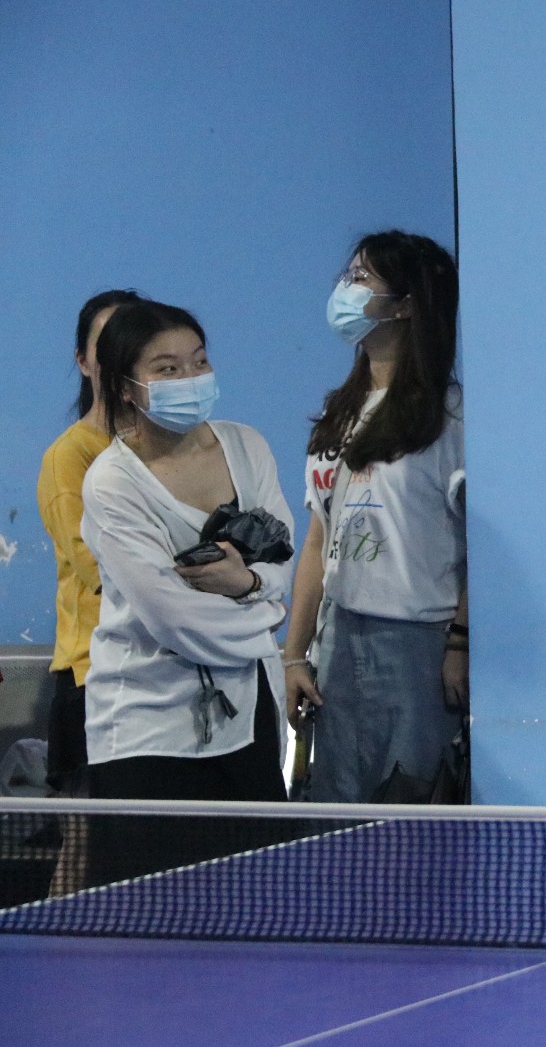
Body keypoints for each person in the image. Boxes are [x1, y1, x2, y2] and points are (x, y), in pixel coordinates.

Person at [80, 299, 293, 883]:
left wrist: (248, 582)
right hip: (147, 732)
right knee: (154, 916)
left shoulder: (247, 446)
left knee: (258, 901)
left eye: (199, 361)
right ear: (125, 387)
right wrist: (265, 613)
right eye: (168, 369)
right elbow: (176, 621)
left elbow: (280, 557)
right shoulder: (111, 484)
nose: (191, 378)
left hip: (248, 718)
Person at [282, 230, 468, 803]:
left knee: (410, 814)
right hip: (338, 638)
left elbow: (480, 548)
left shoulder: (452, 418)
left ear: (406, 305)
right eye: (349, 276)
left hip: (417, 645)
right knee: (336, 817)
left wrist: (460, 643)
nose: (346, 288)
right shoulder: (337, 415)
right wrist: (294, 654)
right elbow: (318, 540)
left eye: (362, 278)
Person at [37, 289, 142, 796]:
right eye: (107, 343)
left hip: (155, 672)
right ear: (83, 361)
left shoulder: (167, 453)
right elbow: (100, 568)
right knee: (85, 830)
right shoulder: (71, 455)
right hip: (92, 674)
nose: (121, 353)